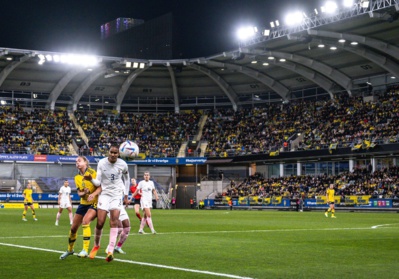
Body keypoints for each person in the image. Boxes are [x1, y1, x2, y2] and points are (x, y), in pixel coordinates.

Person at [88, 145, 130, 262]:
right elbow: (98, 183)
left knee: (114, 221)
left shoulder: (123, 165)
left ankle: (111, 250)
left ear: (118, 154)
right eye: (111, 152)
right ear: (108, 152)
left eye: (115, 153)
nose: (113, 154)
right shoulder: (101, 163)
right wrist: (90, 178)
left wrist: (126, 195)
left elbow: (127, 179)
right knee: (100, 222)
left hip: (116, 195)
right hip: (105, 194)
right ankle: (96, 245)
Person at [59, 156, 100, 260]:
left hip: (94, 203)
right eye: (76, 161)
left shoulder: (93, 172)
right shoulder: (77, 177)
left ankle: (85, 250)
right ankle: (70, 250)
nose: (77, 162)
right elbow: (79, 193)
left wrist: (93, 194)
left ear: (85, 162)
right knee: (73, 228)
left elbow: (100, 187)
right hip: (83, 203)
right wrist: (84, 192)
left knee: (86, 222)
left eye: (79, 161)